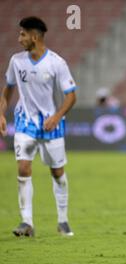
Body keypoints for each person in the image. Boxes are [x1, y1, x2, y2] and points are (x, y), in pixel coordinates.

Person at [0, 16, 77, 237]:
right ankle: (27, 222)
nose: (19, 38)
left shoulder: (56, 63)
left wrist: (57, 116)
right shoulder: (16, 61)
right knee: (23, 169)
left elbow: (71, 96)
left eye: (23, 34)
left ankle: (62, 221)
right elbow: (8, 89)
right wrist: (1, 113)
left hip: (51, 126)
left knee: (57, 172)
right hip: (25, 123)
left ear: (35, 36)